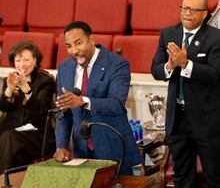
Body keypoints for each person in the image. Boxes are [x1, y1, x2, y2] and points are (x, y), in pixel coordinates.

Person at [151, 0, 220, 188]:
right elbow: (155, 69)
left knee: (214, 180)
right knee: (183, 178)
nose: (187, 13)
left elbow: (215, 74)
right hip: (177, 120)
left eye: (193, 9)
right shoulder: (168, 33)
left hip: (207, 122)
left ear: (205, 14)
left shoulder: (216, 37)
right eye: (184, 8)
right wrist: (170, 66)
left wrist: (186, 64)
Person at [53, 21, 142, 174]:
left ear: (91, 40)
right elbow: (63, 112)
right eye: (68, 46)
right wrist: (61, 146)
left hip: (114, 150)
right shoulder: (64, 68)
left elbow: (116, 104)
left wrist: (83, 102)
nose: (74, 50)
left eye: (78, 43)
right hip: (81, 153)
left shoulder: (117, 64)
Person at [0, 41, 56, 174]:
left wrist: (26, 89)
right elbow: (4, 107)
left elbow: (41, 108)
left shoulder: (45, 80)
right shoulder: (10, 79)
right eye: (18, 60)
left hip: (36, 135)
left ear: (35, 60)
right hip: (12, 135)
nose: (21, 64)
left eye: (26, 59)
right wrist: (9, 90)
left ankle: (2, 186)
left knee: (8, 137)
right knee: (16, 154)